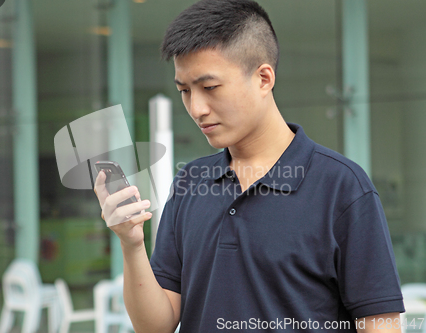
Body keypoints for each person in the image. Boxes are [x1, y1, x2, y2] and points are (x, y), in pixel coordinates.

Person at [93, 0, 405, 332]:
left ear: (263, 78)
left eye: (210, 88)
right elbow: (156, 327)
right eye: (184, 91)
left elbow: (380, 324)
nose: (196, 108)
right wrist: (132, 243)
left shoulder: (342, 187)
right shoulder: (189, 182)